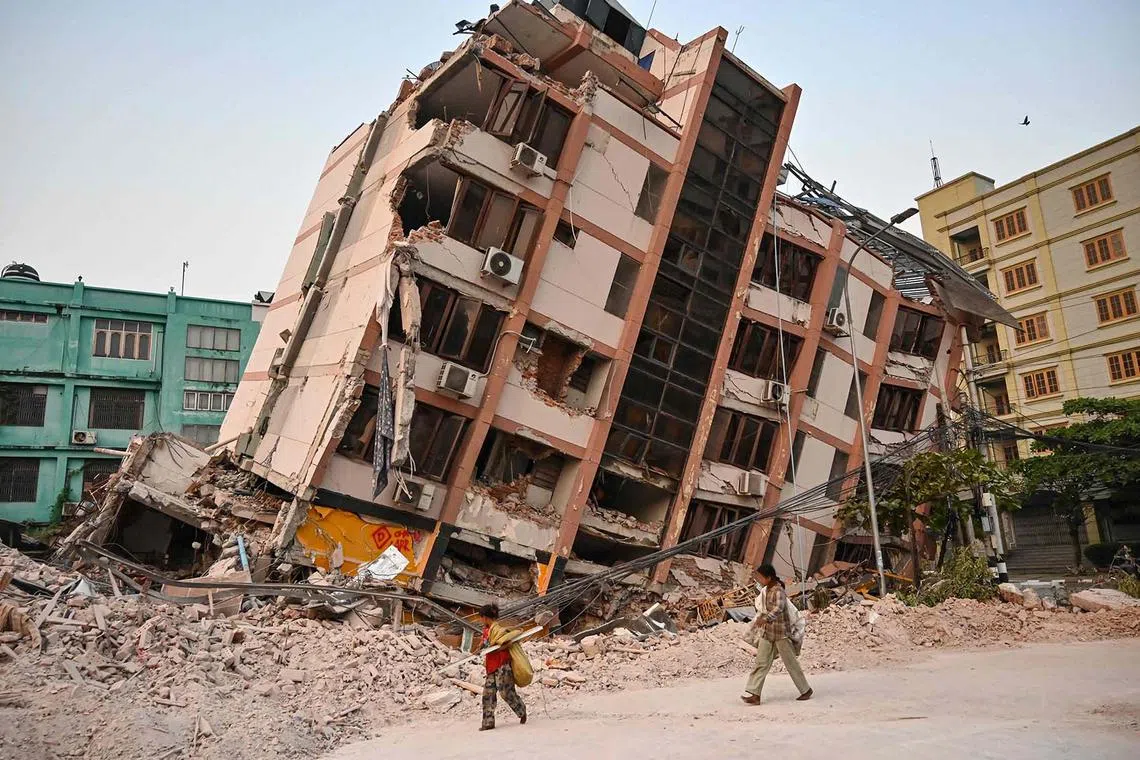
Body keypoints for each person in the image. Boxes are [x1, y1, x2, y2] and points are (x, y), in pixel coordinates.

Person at [741, 563, 812, 705]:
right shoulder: (767, 590)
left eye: (761, 577)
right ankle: (754, 693)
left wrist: (765, 619)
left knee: (791, 663)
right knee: (761, 662)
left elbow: (779, 608)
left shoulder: (778, 590)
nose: (759, 580)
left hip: (781, 634)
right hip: (768, 633)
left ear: (769, 577)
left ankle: (805, 690)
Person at [479, 603, 527, 731]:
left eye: (481, 618)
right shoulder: (486, 631)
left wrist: (499, 648)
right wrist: (478, 650)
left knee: (506, 693)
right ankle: (488, 722)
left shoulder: (499, 631)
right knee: (488, 694)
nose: (481, 620)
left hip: (502, 665)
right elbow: (484, 645)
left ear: (485, 617)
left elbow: (506, 643)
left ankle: (521, 711)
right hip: (491, 667)